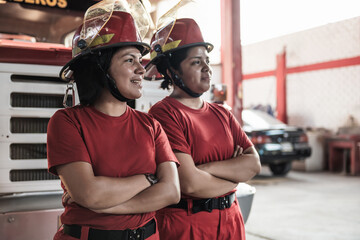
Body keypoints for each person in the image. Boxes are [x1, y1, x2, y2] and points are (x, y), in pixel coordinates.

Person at [47, 1, 180, 240]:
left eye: (140, 60)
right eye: (130, 60)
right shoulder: (66, 122)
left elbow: (171, 191)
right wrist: (149, 179)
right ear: (100, 68)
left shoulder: (151, 126)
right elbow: (90, 194)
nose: (141, 69)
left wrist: (110, 206)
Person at [145, 17, 261, 240]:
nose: (207, 68)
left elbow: (253, 164)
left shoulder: (223, 114)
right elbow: (189, 183)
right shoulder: (164, 114)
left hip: (231, 221)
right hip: (187, 226)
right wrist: (234, 176)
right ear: (170, 71)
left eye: (207, 60)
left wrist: (204, 169)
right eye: (196, 62)